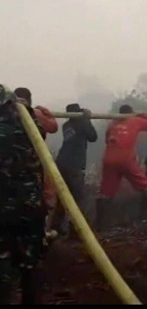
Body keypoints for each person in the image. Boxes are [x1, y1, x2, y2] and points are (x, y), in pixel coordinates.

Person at [0, 84, 47, 304]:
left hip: (5, 209)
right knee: (30, 263)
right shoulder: (30, 122)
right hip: (31, 206)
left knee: (4, 262)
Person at [96, 104, 147, 231]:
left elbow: (107, 139)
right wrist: (144, 115)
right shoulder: (135, 120)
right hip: (125, 159)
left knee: (105, 193)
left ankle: (100, 225)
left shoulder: (112, 124)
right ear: (131, 113)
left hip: (109, 159)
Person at [13, 87, 59, 241]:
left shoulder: (6, 114)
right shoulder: (35, 114)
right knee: (45, 195)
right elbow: (53, 127)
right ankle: (41, 233)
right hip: (35, 162)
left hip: (11, 164)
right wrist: (46, 111)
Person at [52, 103, 98, 239]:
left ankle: (56, 228)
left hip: (61, 163)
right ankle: (76, 230)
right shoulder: (82, 124)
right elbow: (93, 137)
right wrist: (87, 119)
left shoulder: (67, 125)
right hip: (74, 165)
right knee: (79, 199)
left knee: (62, 198)